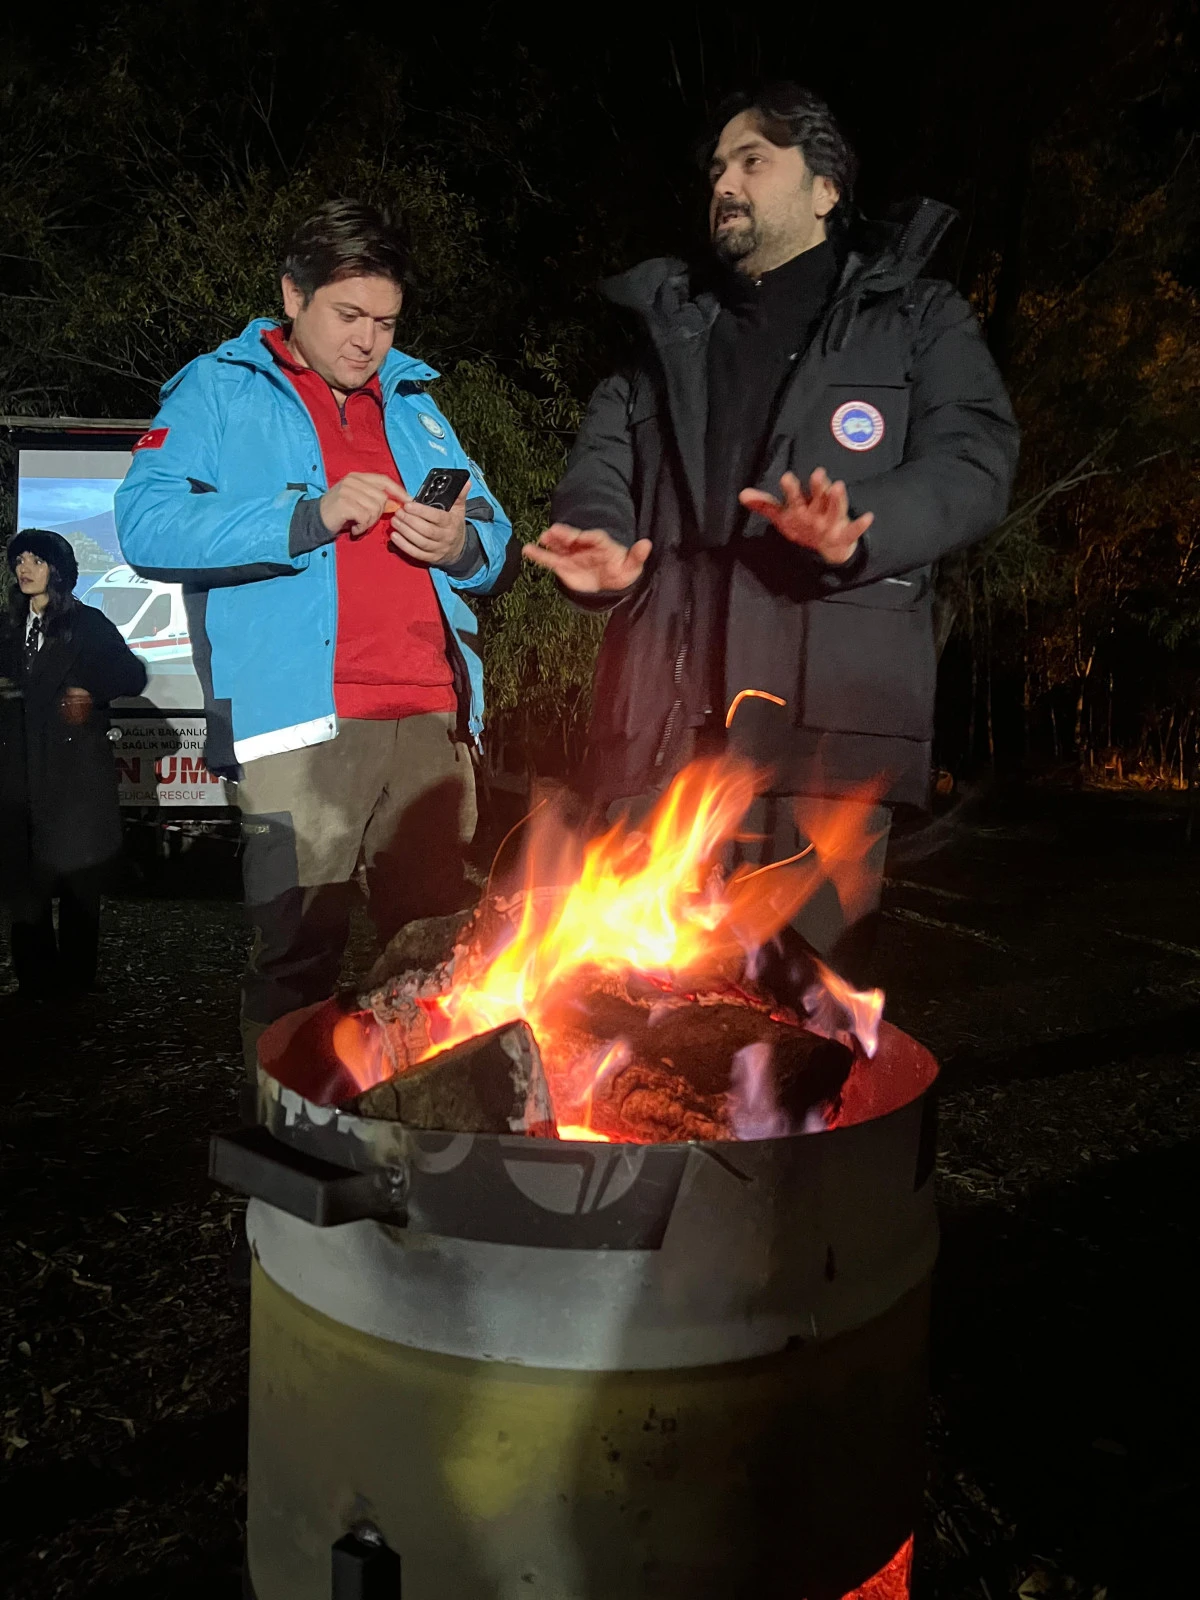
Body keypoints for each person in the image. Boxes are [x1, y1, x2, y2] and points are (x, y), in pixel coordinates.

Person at [526, 84, 1020, 980]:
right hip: (662, 742)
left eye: (754, 161)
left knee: (802, 1040)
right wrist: (596, 538)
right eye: (717, 167)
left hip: (821, 745)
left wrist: (861, 529)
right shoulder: (666, 336)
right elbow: (602, 464)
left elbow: (977, 458)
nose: (726, 182)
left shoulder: (914, 318)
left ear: (827, 188)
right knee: (632, 1032)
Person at [115, 200, 514, 1080]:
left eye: (386, 320)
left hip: (431, 723)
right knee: (298, 957)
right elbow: (145, 524)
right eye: (349, 315)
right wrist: (305, 515)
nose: (370, 340)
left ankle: (431, 1145)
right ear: (292, 294)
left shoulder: (414, 403)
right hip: (303, 726)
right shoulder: (219, 388)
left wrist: (466, 545)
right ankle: (290, 1163)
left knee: (440, 955)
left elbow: (495, 534)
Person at [0, 530, 147, 999]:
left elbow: (131, 673)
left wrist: (88, 689)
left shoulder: (87, 625)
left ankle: (77, 984)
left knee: (80, 883)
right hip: (18, 771)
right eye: (19, 559)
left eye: (36, 561)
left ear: (58, 571)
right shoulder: (5, 626)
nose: (25, 569)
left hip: (73, 774)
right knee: (25, 884)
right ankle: (35, 981)